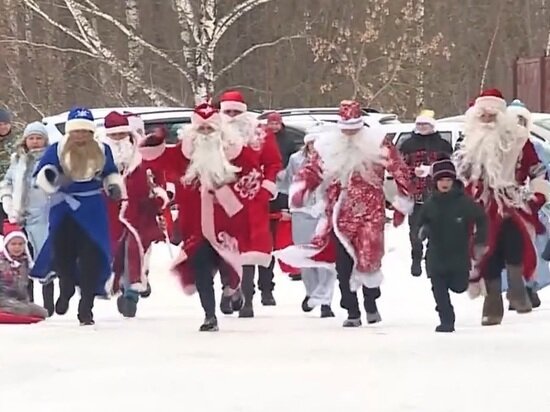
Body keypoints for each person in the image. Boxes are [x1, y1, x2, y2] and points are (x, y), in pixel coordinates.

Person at [276, 100, 413, 327]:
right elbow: (312, 170)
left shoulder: (377, 143)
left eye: (354, 129)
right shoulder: (328, 146)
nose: (349, 134)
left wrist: (402, 202)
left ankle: (370, 303)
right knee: (343, 264)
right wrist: (301, 190)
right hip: (339, 213)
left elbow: (399, 169)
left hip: (371, 212)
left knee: (369, 259)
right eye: (345, 129)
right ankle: (351, 310)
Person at [142, 102, 260, 332]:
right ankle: (209, 315)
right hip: (194, 224)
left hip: (227, 223)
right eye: (201, 130)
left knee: (228, 264)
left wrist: (230, 193)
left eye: (210, 130)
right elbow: (156, 158)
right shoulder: (183, 153)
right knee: (200, 267)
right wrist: (154, 142)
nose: (206, 134)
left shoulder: (235, 152)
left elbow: (252, 179)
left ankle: (233, 290)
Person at [454, 89, 550, 326]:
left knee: (516, 243)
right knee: (487, 252)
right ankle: (493, 303)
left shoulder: (518, 140)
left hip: (512, 201)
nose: (487, 121)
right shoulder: (468, 143)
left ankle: (518, 287)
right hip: (480, 206)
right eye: (483, 116)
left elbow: (537, 170)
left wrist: (538, 193)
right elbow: (458, 175)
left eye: (492, 116)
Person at [30, 107, 125, 326]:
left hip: (92, 209)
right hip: (64, 209)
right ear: (69, 132)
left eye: (84, 132)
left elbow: (110, 172)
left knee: (92, 256)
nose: (80, 137)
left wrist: (113, 186)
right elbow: (43, 174)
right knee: (63, 257)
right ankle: (67, 289)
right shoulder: (57, 149)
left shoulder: (102, 150)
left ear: (91, 132)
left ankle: (86, 308)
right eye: (76, 132)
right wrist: (52, 181)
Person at [218, 90, 282, 318]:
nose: (233, 116)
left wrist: (267, 186)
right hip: (222, 194)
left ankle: (247, 297)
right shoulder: (213, 131)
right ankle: (228, 289)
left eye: (237, 112)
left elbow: (273, 162)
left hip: (252, 196)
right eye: (228, 112)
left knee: (249, 249)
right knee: (224, 245)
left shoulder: (260, 133)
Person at [101, 111, 167, 318]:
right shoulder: (99, 155)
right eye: (114, 136)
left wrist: (159, 195)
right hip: (110, 211)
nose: (119, 139)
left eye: (122, 135)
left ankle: (131, 294)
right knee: (116, 251)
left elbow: (158, 177)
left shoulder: (142, 152)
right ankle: (123, 287)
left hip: (140, 210)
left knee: (136, 250)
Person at [417, 157, 487, 332]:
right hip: (435, 254)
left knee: (459, 286)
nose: (445, 183)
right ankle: (447, 319)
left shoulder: (463, 202)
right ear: (435, 182)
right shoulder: (430, 203)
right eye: (441, 180)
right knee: (438, 289)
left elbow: (481, 218)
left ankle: (454, 287)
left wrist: (480, 239)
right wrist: (422, 231)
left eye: (448, 179)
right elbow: (419, 222)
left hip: (458, 255)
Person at [0, 121, 55, 316]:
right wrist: (7, 200)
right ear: (25, 140)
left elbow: (58, 182)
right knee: (22, 259)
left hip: (42, 216)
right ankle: (27, 300)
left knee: (43, 260)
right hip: (19, 216)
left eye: (38, 138)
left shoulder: (51, 158)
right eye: (31, 138)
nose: (35, 142)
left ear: (45, 140)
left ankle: (49, 303)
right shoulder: (18, 159)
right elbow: (6, 182)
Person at [284, 125, 335, 318]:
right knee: (305, 256)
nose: (314, 147)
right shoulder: (296, 160)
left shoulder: (330, 161)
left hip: (323, 212)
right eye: (311, 143)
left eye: (317, 143)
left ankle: (326, 300)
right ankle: (311, 292)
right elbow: (289, 184)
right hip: (301, 213)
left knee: (324, 256)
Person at [399, 109, 453, 277]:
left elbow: (450, 169)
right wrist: (412, 171)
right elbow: (399, 169)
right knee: (415, 229)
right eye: (419, 124)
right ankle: (416, 257)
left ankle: (433, 259)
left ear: (432, 126)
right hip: (416, 195)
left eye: (425, 124)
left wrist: (432, 170)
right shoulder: (408, 145)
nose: (422, 127)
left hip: (439, 195)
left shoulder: (443, 145)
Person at [0, 223, 48, 321]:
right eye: (13, 244)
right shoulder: (1, 261)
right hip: (3, 298)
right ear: (6, 245)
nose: (17, 247)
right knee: (22, 309)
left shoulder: (26, 261)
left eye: (20, 244)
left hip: (20, 299)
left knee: (43, 312)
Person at [0, 108, 14, 228]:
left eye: (5, 124)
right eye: (0, 124)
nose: (3, 127)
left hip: (13, 189)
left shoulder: (17, 141)